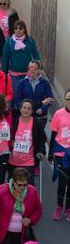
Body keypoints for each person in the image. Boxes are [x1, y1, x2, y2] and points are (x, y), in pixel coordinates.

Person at [48, 89, 70, 220]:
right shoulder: (58, 114)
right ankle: (58, 206)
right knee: (62, 182)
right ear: (64, 99)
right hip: (61, 153)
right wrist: (51, 154)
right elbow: (53, 135)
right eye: (68, 98)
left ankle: (68, 208)